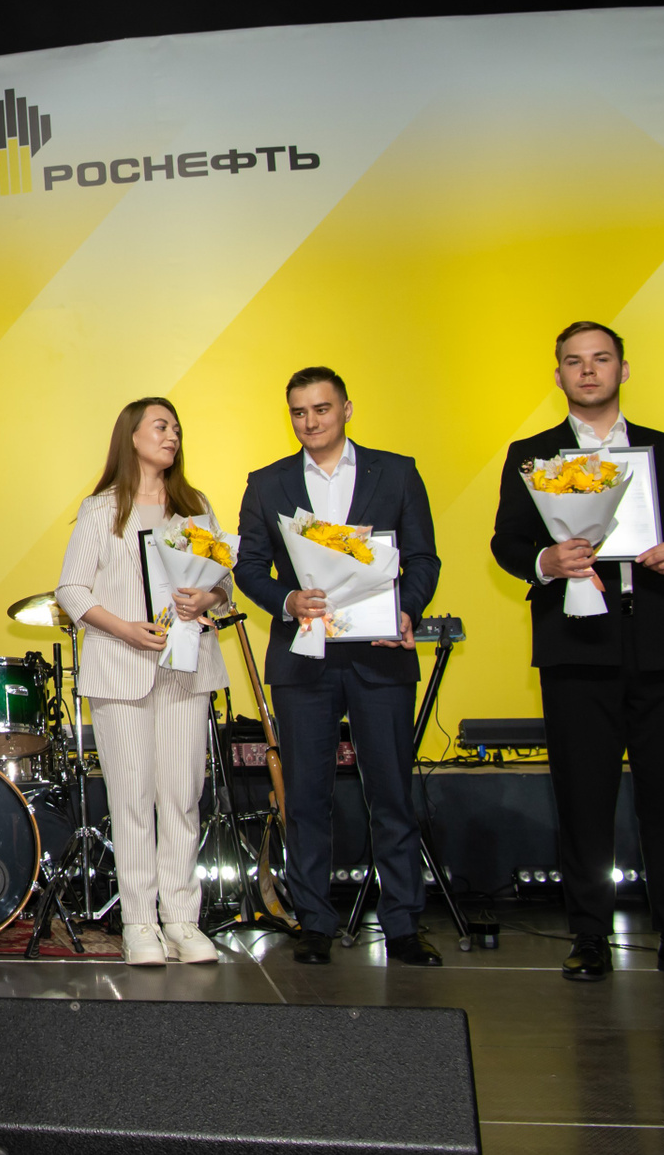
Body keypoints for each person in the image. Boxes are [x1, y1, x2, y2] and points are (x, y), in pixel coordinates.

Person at [490, 321, 664, 982]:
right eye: (574, 361)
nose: (588, 370)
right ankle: (588, 934)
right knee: (583, 796)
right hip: (576, 646)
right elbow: (507, 541)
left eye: (600, 358)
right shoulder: (532, 454)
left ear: (623, 368)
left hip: (661, 642)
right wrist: (547, 560)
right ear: (558, 374)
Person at [234, 366, 442, 967]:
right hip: (303, 660)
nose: (310, 422)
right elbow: (249, 567)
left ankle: (402, 926)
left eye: (321, 409)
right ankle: (315, 923)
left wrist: (406, 610)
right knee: (303, 798)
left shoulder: (396, 472)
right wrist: (286, 600)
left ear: (347, 408)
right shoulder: (267, 483)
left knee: (392, 794)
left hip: (380, 655)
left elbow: (423, 558)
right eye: (299, 412)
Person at [56, 397, 228, 966]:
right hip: (120, 670)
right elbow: (72, 591)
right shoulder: (102, 508)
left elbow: (223, 584)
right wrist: (126, 629)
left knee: (181, 797)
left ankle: (182, 919)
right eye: (161, 426)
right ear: (131, 436)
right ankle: (139, 923)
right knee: (132, 800)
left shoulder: (194, 507)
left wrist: (208, 597)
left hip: (185, 668)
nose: (172, 435)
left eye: (177, 427)